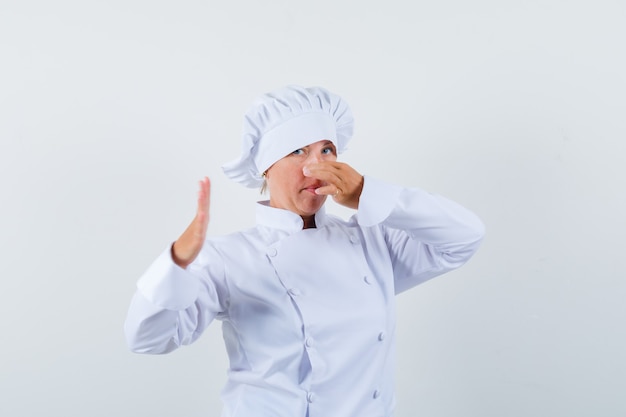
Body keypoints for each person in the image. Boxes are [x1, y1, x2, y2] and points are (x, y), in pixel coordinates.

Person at [124, 85, 485, 417]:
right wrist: (176, 262)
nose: (316, 167)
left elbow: (464, 236)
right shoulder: (229, 258)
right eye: (298, 151)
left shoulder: (372, 242)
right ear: (266, 167)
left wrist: (367, 194)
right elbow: (148, 339)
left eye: (327, 150)